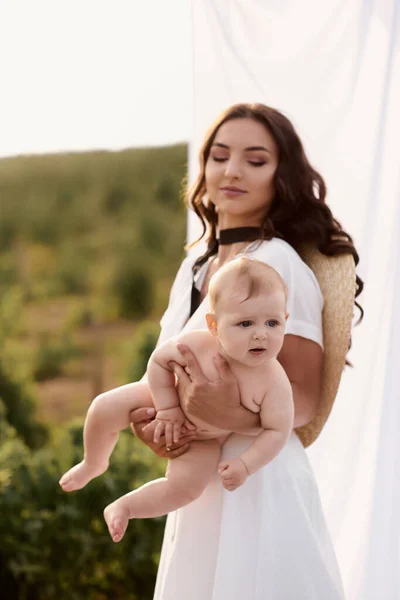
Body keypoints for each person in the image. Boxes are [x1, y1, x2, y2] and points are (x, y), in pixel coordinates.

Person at [128, 103, 363, 600]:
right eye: (218, 156)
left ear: (283, 176)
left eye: (255, 160)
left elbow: (303, 399)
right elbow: (173, 378)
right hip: (199, 485)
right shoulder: (196, 266)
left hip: (257, 483)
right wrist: (159, 427)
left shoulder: (276, 262)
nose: (231, 171)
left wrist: (223, 415)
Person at [59, 258, 294, 545]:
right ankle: (93, 462)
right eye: (245, 323)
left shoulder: (274, 382)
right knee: (103, 407)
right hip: (167, 396)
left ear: (286, 319)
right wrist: (168, 408)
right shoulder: (195, 345)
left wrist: (245, 464)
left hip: (205, 437)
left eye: (273, 322)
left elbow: (277, 430)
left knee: (186, 488)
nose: (261, 333)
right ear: (214, 326)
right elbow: (159, 361)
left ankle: (126, 507)